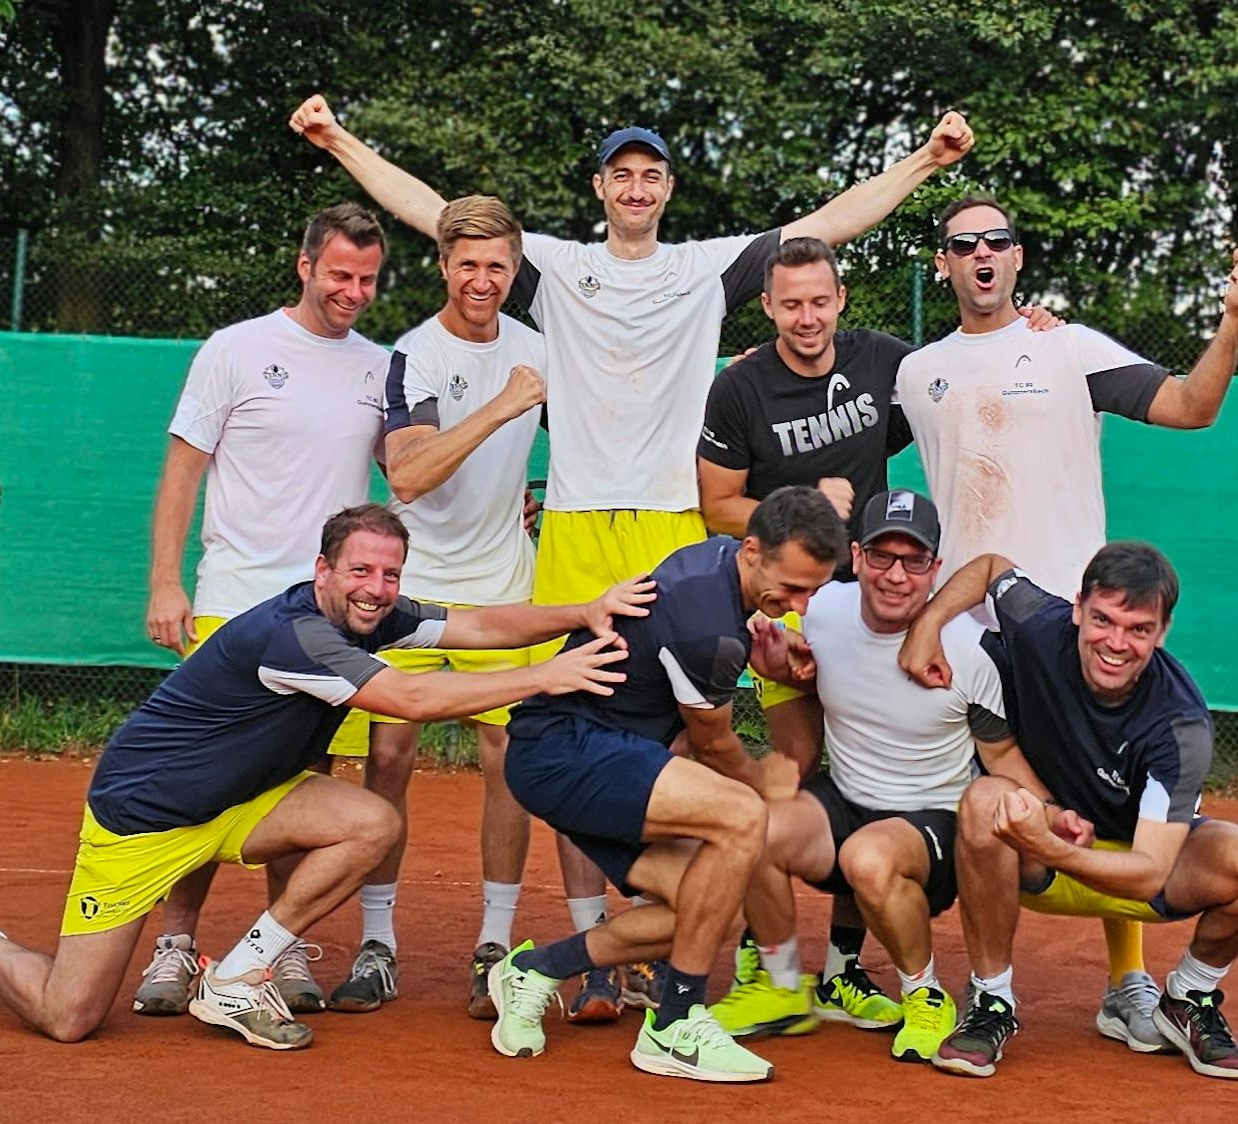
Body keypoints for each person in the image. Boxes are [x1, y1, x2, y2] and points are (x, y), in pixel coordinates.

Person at [291, 94, 974, 1018]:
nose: (637, 187)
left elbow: (828, 223)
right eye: (622, 174)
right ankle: (597, 954)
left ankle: (699, 939)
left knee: (687, 732)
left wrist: (926, 163)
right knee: (576, 728)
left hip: (669, 527)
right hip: (575, 524)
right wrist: (338, 142)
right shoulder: (557, 267)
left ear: (667, 188)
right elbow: (436, 214)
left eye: (652, 174)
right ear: (601, 187)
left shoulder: (707, 269)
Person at [0, 505, 650, 1051]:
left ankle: (239, 975)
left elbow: (479, 627)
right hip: (144, 817)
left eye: (390, 574)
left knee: (372, 822)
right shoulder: (298, 636)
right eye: (361, 571)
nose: (378, 587)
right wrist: (549, 675)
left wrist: (579, 611)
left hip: (243, 801)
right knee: (69, 1016)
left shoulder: (374, 617)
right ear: (323, 571)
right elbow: (414, 699)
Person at [894, 193, 1238, 1049]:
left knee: (1105, 789)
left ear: (1018, 257)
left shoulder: (1069, 347)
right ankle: (943, 981)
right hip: (960, 623)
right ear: (943, 264)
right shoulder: (915, 371)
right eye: (964, 243)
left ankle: (1130, 985)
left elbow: (1190, 406)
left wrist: (1234, 316)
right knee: (966, 798)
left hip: (1069, 618)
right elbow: (839, 445)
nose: (982, 252)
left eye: (998, 239)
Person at [696, 236, 1059, 1027]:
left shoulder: (883, 362)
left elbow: (963, 366)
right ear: (766, 307)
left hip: (865, 595)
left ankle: (848, 970)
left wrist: (1028, 326)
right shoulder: (742, 387)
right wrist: (803, 514)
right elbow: (715, 503)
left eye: (819, 301)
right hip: (792, 600)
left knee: (878, 762)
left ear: (841, 299)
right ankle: (774, 970)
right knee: (793, 766)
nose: (806, 317)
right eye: (789, 304)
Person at [484, 486, 847, 1083]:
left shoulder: (718, 560)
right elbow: (713, 744)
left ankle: (538, 968)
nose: (800, 606)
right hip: (565, 749)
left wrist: (763, 641)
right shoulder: (710, 629)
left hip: (599, 753)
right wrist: (768, 781)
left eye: (812, 591)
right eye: (794, 587)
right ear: (753, 550)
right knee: (743, 815)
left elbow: (682, 648)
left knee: (705, 908)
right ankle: (676, 1022)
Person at [897, 543, 1238, 1080]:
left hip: (1132, 867)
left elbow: (1150, 870)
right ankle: (992, 1001)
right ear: (1078, 607)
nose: (1116, 643)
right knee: (984, 801)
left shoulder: (1180, 724)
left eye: (1138, 629)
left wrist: (1050, 847)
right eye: (1103, 620)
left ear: (1163, 632)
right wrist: (928, 624)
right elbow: (991, 568)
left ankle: (1188, 996)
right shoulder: (1042, 625)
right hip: (1046, 845)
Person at [134, 202, 393, 1018]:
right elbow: (182, 470)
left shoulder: (381, 367)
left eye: (368, 280)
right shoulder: (234, 350)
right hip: (232, 603)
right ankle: (175, 946)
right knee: (200, 784)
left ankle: (272, 957)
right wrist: (164, 583)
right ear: (305, 265)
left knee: (304, 783)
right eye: (340, 275)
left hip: (327, 615)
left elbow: (418, 473)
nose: (352, 291)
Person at [333, 194, 552, 1018]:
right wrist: (503, 405)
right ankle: (378, 943)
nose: (482, 280)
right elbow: (410, 475)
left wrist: (545, 495)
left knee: (509, 765)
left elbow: (603, 439)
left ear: (513, 269)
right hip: (410, 595)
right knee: (388, 758)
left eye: (498, 265)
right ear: (443, 266)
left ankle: (495, 944)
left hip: (504, 587)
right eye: (468, 264)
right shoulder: (414, 355)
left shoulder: (540, 350)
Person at [713, 489, 1012, 1066]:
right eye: (881, 556)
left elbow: (1002, 757)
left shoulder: (972, 648)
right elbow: (823, 680)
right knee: (748, 823)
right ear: (855, 557)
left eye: (913, 560)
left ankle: (925, 995)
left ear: (935, 569)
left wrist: (1046, 816)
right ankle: (779, 986)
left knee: (869, 858)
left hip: (933, 827)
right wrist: (785, 670)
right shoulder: (822, 610)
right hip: (845, 802)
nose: (895, 575)